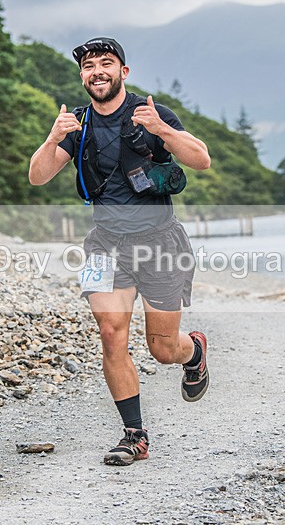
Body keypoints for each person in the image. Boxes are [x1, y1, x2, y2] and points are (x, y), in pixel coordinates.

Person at [29, 37, 212, 466]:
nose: (97, 72)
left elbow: (201, 159)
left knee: (162, 348)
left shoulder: (152, 113)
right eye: (89, 66)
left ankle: (195, 352)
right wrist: (52, 138)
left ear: (123, 72)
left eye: (106, 64)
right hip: (103, 245)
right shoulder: (78, 125)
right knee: (111, 334)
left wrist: (164, 130)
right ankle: (134, 436)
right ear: (82, 77)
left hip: (161, 242)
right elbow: (37, 177)